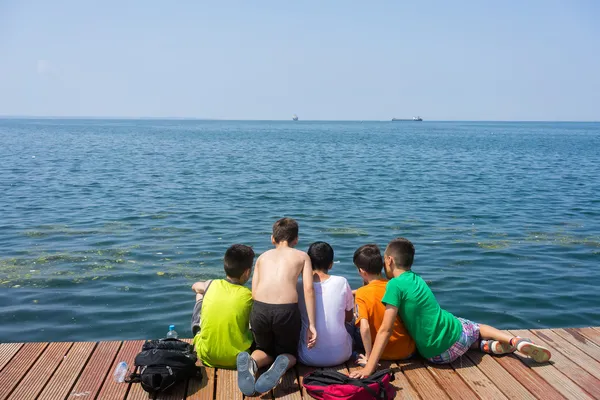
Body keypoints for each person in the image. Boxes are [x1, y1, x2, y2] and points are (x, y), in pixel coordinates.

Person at [350, 237, 551, 378]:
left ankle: (488, 346)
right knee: (473, 327)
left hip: (435, 356)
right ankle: (513, 340)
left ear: (389, 260)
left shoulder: (394, 285)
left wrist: (370, 366)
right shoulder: (416, 279)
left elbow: (385, 329)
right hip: (453, 341)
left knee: (473, 329)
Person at [237, 218, 317, 396]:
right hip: (285, 311)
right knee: (290, 354)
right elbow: (308, 289)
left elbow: (254, 290)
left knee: (262, 349)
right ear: (296, 240)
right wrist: (312, 324)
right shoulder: (302, 256)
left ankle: (253, 363)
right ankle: (282, 361)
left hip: (260, 309)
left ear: (272, 239)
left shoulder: (262, 257)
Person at [190, 244, 255, 369]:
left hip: (206, 355)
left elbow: (195, 286)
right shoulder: (249, 295)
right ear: (247, 272)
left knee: (200, 295)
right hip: (238, 359)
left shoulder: (211, 284)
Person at [352, 244, 415, 366]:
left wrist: (369, 358)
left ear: (361, 271)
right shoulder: (394, 285)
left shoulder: (362, 294)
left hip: (380, 353)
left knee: (355, 326)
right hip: (407, 351)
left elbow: (364, 329)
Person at [297, 241, 354, 367]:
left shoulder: (299, 285)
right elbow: (349, 318)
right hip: (342, 355)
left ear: (309, 263)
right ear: (331, 264)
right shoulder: (341, 282)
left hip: (307, 357)